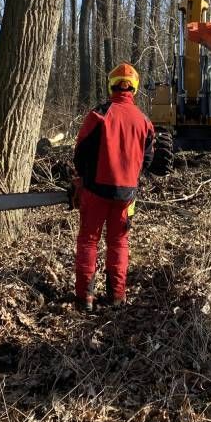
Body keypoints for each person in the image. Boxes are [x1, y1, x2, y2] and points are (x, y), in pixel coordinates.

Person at [73, 63, 155, 311]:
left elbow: (81, 153)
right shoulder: (144, 121)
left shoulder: (99, 115)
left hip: (96, 189)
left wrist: (83, 178)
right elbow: (148, 159)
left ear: (112, 85)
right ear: (134, 87)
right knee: (119, 242)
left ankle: (84, 298)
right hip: (126, 194)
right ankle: (116, 296)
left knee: (89, 240)